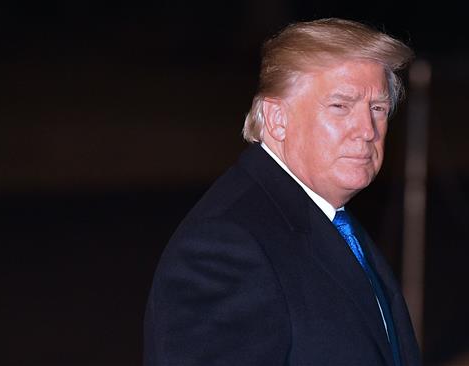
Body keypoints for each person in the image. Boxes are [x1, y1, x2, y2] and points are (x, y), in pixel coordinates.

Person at [144, 18, 420, 365]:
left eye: (378, 108)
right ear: (277, 119)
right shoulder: (226, 246)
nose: (367, 130)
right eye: (341, 106)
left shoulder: (332, 218)